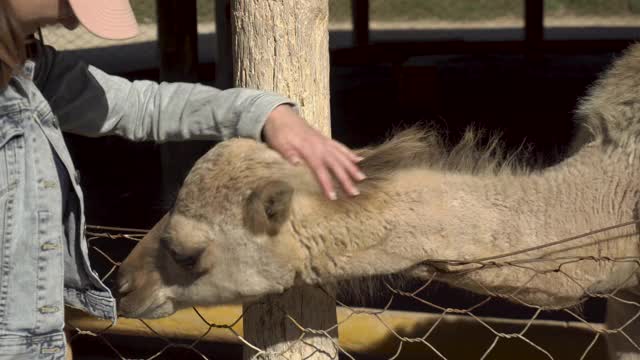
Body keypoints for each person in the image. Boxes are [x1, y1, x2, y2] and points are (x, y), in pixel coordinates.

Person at [0, 0, 365, 358]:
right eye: (69, 9)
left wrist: (268, 114)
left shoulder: (31, 71)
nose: (69, 26)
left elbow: (141, 106)